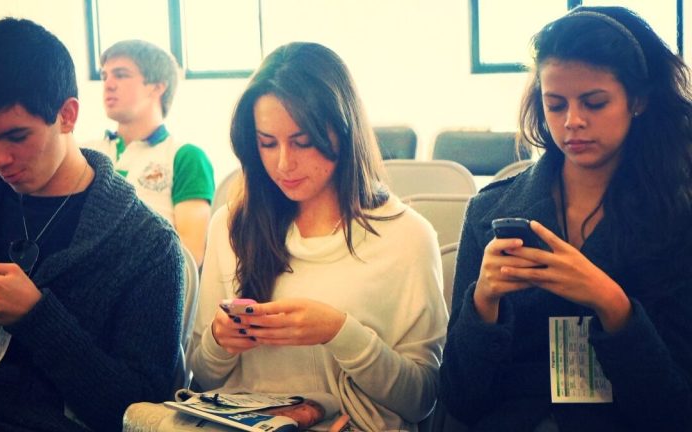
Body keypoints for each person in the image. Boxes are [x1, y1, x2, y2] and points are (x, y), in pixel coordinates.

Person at [0, 18, 184, 432]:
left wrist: (36, 317)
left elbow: (140, 412)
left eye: (16, 136)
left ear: (67, 115)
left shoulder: (147, 245)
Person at [440, 6, 692, 431]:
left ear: (638, 100)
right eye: (555, 105)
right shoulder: (491, 212)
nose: (573, 121)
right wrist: (483, 304)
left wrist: (612, 304)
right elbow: (461, 400)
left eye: (594, 103)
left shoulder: (678, 218)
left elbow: (675, 411)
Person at [187, 42, 448, 431]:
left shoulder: (406, 237)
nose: (284, 163)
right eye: (267, 143)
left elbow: (421, 400)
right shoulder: (230, 226)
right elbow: (204, 377)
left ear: (343, 132)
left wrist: (340, 333)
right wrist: (219, 342)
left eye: (302, 142)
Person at [87, 39, 214, 266]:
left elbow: (191, 255)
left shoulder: (185, 156)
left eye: (121, 75)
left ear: (157, 86)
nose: (108, 84)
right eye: (105, 76)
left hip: (149, 280)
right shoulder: (87, 153)